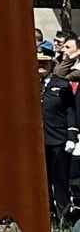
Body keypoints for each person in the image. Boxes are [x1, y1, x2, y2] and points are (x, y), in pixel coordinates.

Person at [43, 47, 77, 220]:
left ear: (51, 64)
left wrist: (72, 135)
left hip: (57, 139)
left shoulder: (60, 83)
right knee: (43, 181)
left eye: (44, 63)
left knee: (60, 181)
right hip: (37, 141)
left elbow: (70, 110)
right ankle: (47, 216)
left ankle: (63, 216)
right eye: (38, 63)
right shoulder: (28, 83)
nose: (40, 66)